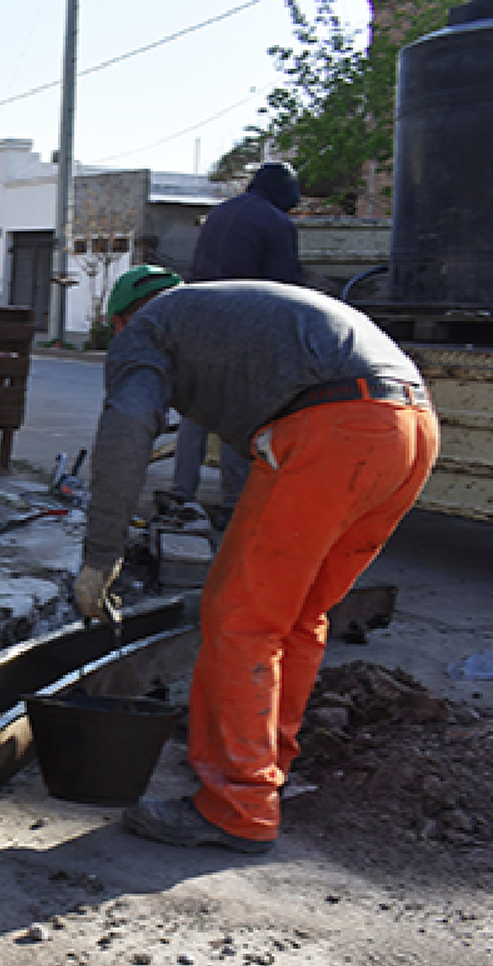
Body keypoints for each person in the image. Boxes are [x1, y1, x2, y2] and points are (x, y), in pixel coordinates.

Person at [77, 265, 439, 854]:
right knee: (297, 615)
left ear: (121, 322)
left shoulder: (146, 330)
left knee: (239, 616)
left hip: (335, 431)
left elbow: (127, 428)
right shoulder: (227, 312)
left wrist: (101, 557)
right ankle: (263, 766)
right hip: (410, 427)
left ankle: (237, 807)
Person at [168, 162, 305, 526]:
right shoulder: (276, 224)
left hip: (199, 322)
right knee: (239, 415)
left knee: (196, 414)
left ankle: (181, 493)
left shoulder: (219, 215)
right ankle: (233, 504)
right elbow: (283, 289)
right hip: (243, 327)